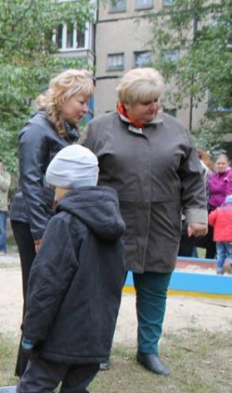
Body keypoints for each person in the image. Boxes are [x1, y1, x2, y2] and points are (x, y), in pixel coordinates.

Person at [0, 145, 125, 393]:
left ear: (64, 185)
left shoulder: (65, 223)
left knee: (31, 391)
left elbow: (45, 286)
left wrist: (31, 335)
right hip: (95, 336)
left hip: (59, 337)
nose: (52, 193)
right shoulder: (114, 225)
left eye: (54, 186)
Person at [82, 68, 207, 376]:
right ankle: (99, 351)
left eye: (156, 100)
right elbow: (82, 176)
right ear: (126, 102)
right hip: (113, 227)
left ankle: (148, 350)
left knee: (154, 290)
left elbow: (193, 177)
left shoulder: (176, 131)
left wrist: (197, 216)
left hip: (161, 227)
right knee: (105, 291)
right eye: (146, 103)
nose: (154, 107)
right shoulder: (99, 129)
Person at [9, 68, 94, 377]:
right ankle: (27, 368)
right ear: (63, 97)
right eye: (82, 101)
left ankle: (43, 360)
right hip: (33, 221)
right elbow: (30, 182)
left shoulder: (66, 130)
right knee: (37, 291)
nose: (86, 109)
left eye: (88, 103)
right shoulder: (36, 129)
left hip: (55, 220)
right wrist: (40, 231)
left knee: (52, 289)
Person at [203, 154, 232, 259]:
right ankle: (209, 259)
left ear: (228, 164)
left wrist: (223, 210)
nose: (220, 165)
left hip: (225, 212)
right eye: (218, 163)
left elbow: (229, 195)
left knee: (224, 239)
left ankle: (227, 262)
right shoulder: (213, 176)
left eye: (223, 163)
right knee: (211, 237)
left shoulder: (230, 176)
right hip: (212, 210)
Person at [208, 194, 232, 275]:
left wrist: (215, 225)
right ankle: (229, 263)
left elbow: (210, 218)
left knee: (220, 253)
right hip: (230, 237)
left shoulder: (219, 210)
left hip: (219, 237)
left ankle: (219, 269)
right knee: (231, 252)